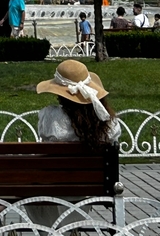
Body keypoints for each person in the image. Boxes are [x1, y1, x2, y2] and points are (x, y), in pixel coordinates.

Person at [33, 59, 121, 227]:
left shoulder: (51, 118)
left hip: (53, 185)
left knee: (31, 185)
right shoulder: (108, 123)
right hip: (91, 186)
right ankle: (70, 228)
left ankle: (50, 230)